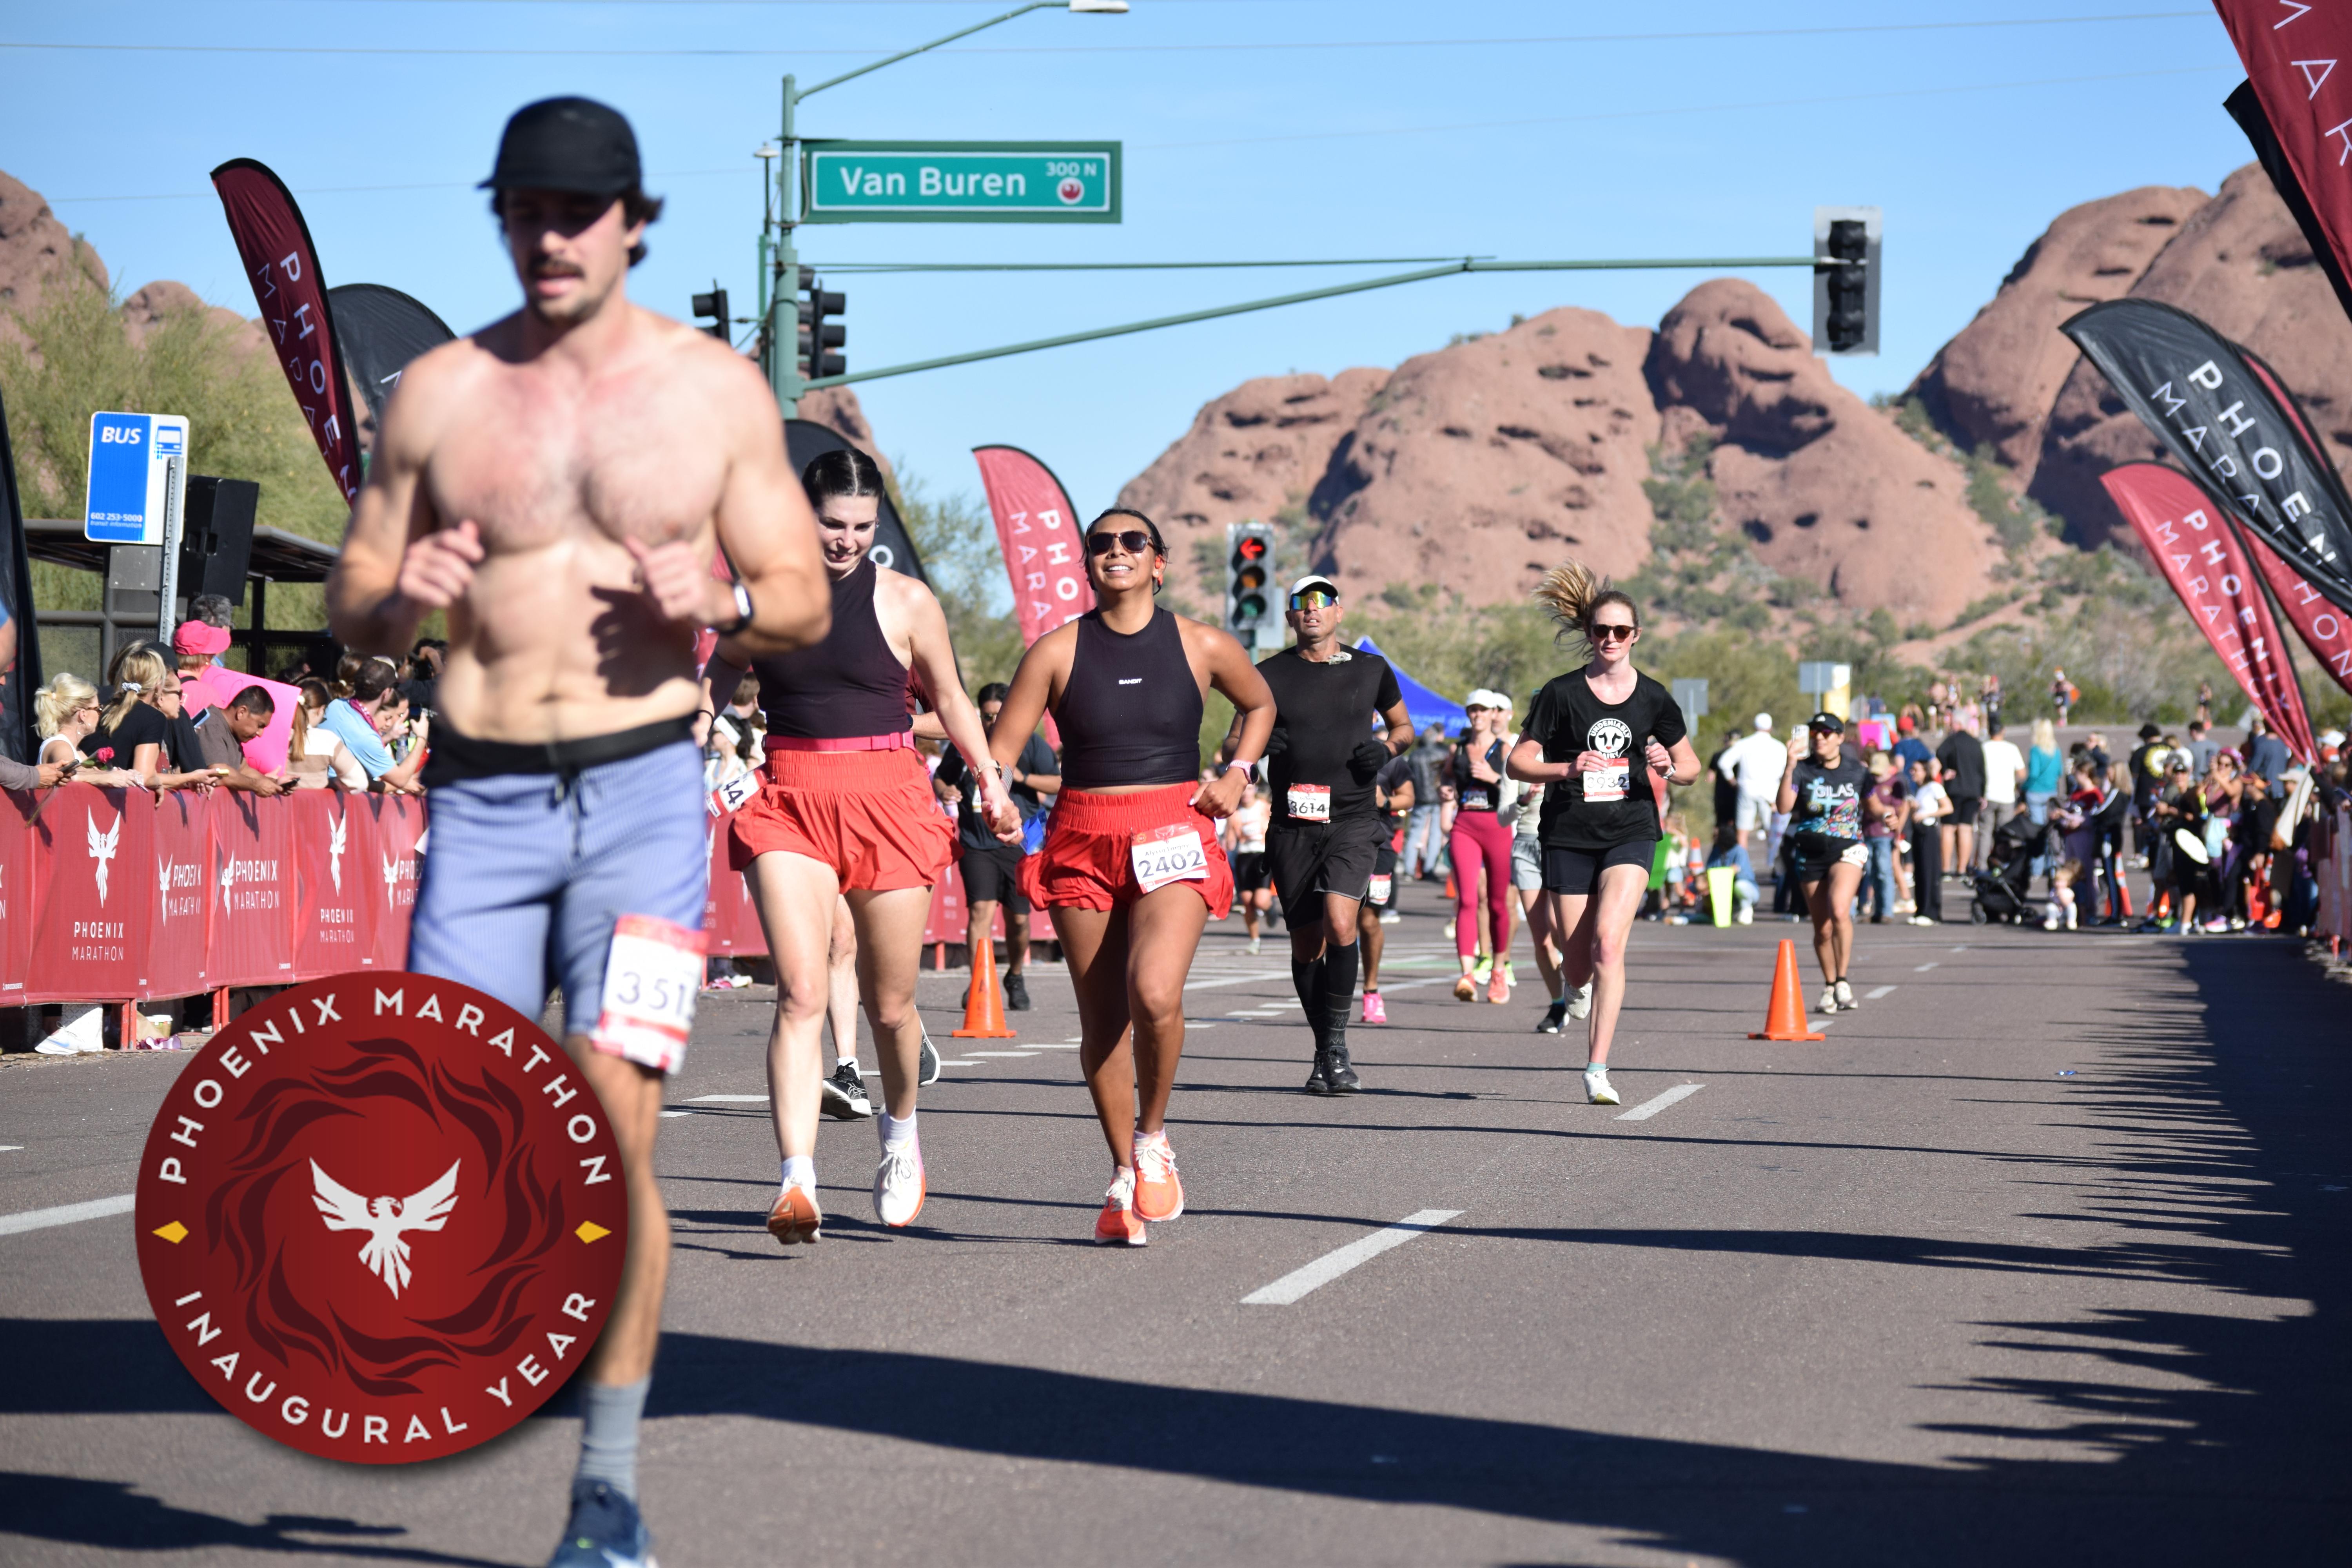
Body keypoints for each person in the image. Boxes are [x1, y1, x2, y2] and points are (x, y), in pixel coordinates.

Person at [324, 95, 830, 1568]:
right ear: (501, 219)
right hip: (482, 800)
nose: (549, 237)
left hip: (643, 803)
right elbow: (356, 597)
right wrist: (400, 593)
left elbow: (801, 594)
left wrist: (720, 601)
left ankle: (605, 1490)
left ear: (633, 224)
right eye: (524, 212)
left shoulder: (711, 392)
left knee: (612, 1131)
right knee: (452, 1114)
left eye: (577, 213)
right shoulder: (442, 393)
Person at [706, 447, 1013, 1245]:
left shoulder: (907, 600)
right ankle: (796, 1181)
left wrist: (991, 783)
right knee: (800, 992)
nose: (846, 540)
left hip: (889, 799)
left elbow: (952, 698)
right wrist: (693, 727)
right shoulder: (761, 599)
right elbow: (721, 668)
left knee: (891, 1005)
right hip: (790, 799)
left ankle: (900, 1134)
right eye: (831, 524)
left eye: (861, 526)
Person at [991, 507, 1274, 1245]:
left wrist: (1239, 772)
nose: (1116, 552)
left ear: (1159, 561)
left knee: (1154, 992)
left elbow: (1260, 703)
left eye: (1133, 542)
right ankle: (1122, 1173)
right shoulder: (1055, 651)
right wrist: (994, 793)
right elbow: (1002, 752)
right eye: (1101, 544)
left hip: (1173, 828)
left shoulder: (1203, 644)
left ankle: (1153, 1136)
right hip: (1082, 836)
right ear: (1087, 563)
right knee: (1103, 1021)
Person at [1507, 560, 1700, 1107]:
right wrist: (1566, 768)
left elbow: (1691, 766)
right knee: (1577, 958)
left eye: (1621, 630)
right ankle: (1575, 984)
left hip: (1630, 830)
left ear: (1636, 635)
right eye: (1602, 630)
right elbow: (1518, 762)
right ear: (1590, 634)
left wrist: (1668, 766)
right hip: (1568, 832)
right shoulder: (1561, 693)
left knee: (1609, 944)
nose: (1611, 639)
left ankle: (1597, 1068)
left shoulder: (1654, 698)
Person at [1230, 573, 1411, 1093]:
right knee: (1307, 944)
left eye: (1322, 600)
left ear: (1338, 611)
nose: (1312, 608)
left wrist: (1386, 750)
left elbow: (1404, 729)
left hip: (1353, 821)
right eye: (1301, 602)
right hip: (1291, 827)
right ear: (1290, 615)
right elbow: (1232, 742)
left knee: (1340, 921)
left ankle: (1336, 1048)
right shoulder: (1267, 674)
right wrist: (1257, 747)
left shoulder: (1371, 669)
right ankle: (1325, 1050)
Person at [934, 681, 1060, 1011]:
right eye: (987, 716)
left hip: (1021, 841)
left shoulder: (1031, 744)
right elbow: (942, 777)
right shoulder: (967, 745)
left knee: (1018, 920)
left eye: (997, 715)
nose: (992, 722)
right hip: (977, 843)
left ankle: (1015, 976)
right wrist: (945, 791)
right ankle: (980, 983)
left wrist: (1023, 778)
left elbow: (1058, 781)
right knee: (980, 912)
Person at [1775, 713, 1872, 1012]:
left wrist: (1888, 816)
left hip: (1848, 846)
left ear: (1841, 738)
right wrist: (1790, 766)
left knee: (1840, 909)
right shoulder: (1802, 770)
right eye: (1815, 733)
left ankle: (1842, 980)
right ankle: (1830, 985)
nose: (1819, 738)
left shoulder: (1857, 771)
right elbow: (1783, 807)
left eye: (1827, 733)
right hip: (1811, 850)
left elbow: (1874, 804)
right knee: (1823, 930)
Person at [1448, 691, 1517, 1004]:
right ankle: (1467, 974)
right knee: (1467, 899)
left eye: (1484, 710)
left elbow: (1517, 792)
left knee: (1498, 903)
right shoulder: (1458, 748)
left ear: (1494, 714)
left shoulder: (1505, 750)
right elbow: (1446, 779)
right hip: (1465, 825)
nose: (1478, 715)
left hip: (1497, 826)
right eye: (1473, 710)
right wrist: (1445, 789)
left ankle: (1499, 970)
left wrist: (1493, 778)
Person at [1505, 738, 1573, 1033]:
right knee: (1541, 938)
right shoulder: (1518, 758)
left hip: (1561, 842)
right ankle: (1558, 1005)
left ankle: (1578, 974)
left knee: (1559, 927)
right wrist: (1523, 800)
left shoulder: (1572, 751)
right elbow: (1503, 816)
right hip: (1525, 845)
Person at [81, 646, 217, 792]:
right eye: (178, 693)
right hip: (113, 799)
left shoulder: (100, 706)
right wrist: (190, 778)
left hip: (80, 791)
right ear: (159, 687)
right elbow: (145, 777)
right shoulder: (153, 718)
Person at [317, 658, 431, 792]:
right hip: (336, 797)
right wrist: (422, 738)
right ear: (386, 693)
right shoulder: (364, 735)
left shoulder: (336, 705)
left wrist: (388, 737)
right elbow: (400, 779)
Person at [1357, 751, 1413, 1022]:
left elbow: (1409, 798)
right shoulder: (1330, 748)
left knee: (1369, 922)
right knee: (1333, 920)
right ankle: (1332, 992)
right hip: (1333, 844)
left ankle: (1371, 991)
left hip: (1379, 846)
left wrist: (1386, 801)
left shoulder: (1389, 759)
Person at [189, 686, 287, 794]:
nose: (260, 733)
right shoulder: (213, 725)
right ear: (242, 712)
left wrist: (276, 783)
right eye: (260, 725)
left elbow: (243, 770)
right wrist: (256, 785)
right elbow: (219, 772)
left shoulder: (232, 731)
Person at [1722, 712, 1788, 867]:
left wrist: (1733, 782)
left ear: (1755, 726)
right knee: (1773, 831)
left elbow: (1724, 763)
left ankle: (1742, 866)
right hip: (1771, 792)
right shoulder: (1779, 746)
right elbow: (1785, 771)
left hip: (1747, 790)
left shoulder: (1744, 744)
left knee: (1743, 830)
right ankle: (1775, 866)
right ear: (1770, 727)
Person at [286, 678, 370, 790]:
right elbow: (359, 782)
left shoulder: (275, 735)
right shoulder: (327, 740)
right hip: (316, 801)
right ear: (321, 710)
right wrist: (331, 783)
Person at [1935, 715, 1985, 885]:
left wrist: (1946, 769)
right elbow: (1982, 769)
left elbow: (1940, 753)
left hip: (1955, 789)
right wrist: (1982, 793)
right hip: (1973, 790)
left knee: (1948, 828)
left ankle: (1946, 869)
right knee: (1966, 828)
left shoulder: (1953, 740)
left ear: (1957, 724)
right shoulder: (1976, 743)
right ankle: (1962, 869)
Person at [1226, 782, 1274, 954]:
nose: (1246, 793)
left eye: (1249, 789)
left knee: (1260, 901)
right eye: (1243, 790)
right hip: (1244, 857)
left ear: (1255, 790)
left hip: (1262, 855)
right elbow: (1230, 840)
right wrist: (1229, 841)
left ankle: (1269, 909)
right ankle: (1255, 941)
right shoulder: (1235, 813)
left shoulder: (1264, 807)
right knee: (1247, 902)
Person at [1861, 750, 1907, 924]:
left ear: (1888, 769)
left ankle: (1887, 911)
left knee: (1884, 871)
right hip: (1868, 832)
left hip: (1885, 834)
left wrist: (1898, 831)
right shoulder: (1869, 783)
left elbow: (1902, 809)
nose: (1877, 777)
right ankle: (1877, 911)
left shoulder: (1895, 784)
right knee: (1871, 873)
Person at [1403, 722, 1452, 879]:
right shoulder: (1442, 754)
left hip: (1419, 798)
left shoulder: (1415, 756)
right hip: (1438, 798)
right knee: (1435, 835)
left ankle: (1409, 870)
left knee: (1415, 834)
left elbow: (1409, 777)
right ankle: (1429, 869)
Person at [1976, 719, 2024, 871]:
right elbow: (2022, 773)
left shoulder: (1983, 747)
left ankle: (1982, 866)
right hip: (2006, 796)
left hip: (1988, 795)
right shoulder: (2011, 748)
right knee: (2005, 833)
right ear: (2003, 731)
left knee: (1985, 833)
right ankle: (2003, 863)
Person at [1905, 755, 1947, 925]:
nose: (1913, 773)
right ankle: (1921, 910)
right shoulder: (1920, 789)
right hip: (1919, 831)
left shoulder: (1934, 787)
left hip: (1929, 831)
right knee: (1920, 871)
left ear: (1925, 772)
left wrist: (1926, 814)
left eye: (1916, 770)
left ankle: (1931, 912)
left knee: (1930, 871)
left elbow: (1947, 807)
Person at [1703, 823, 1758, 923]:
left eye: (1716, 836)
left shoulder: (1739, 851)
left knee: (1740, 886)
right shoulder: (1716, 851)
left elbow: (1736, 869)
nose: (1714, 838)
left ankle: (1747, 907)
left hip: (1747, 889)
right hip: (1724, 892)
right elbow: (1709, 870)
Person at [2243, 713, 2289, 798]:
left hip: (2266, 790)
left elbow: (2253, 768)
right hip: (2281, 789)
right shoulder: (2284, 745)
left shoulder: (2261, 743)